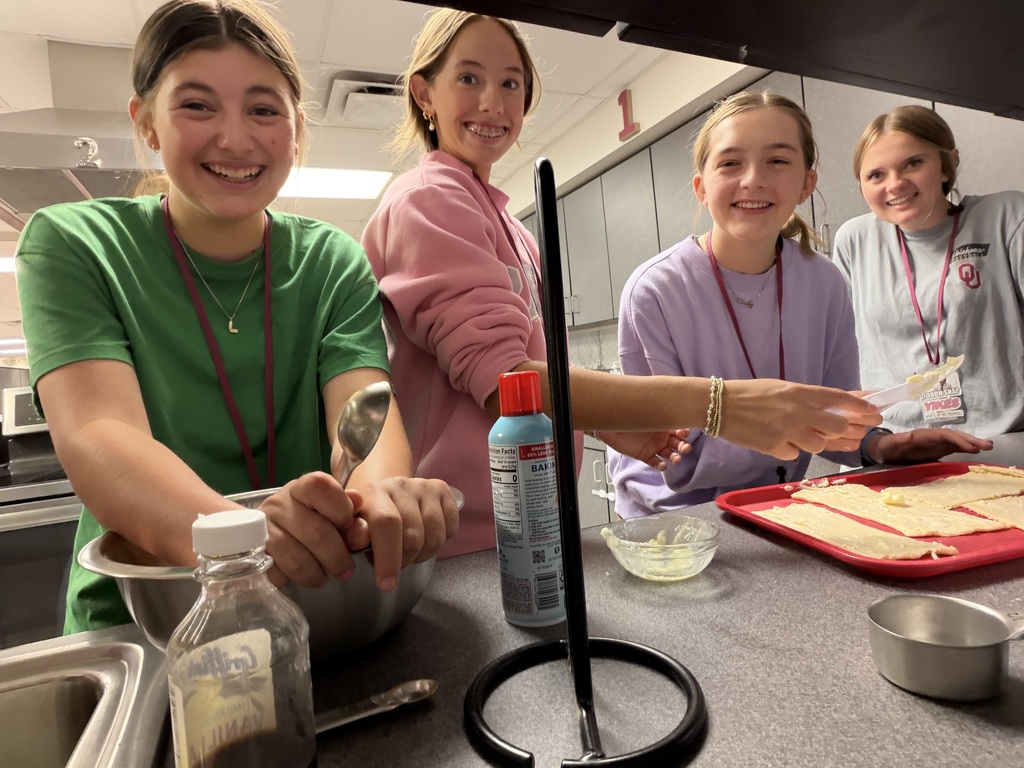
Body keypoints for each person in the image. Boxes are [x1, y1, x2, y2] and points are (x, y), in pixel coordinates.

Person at [361, 11, 884, 555]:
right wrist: (720, 404)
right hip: (462, 531)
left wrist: (609, 426)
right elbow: (505, 385)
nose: (493, 102)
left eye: (511, 83)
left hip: (525, 521)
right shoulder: (429, 200)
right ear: (424, 93)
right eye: (469, 78)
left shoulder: (508, 225)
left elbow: (523, 372)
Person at [15, 0, 458, 636]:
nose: (235, 138)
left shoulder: (331, 260)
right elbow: (99, 435)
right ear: (146, 122)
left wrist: (381, 500)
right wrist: (247, 541)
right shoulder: (76, 243)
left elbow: (365, 414)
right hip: (150, 625)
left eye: (263, 109)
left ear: (296, 129)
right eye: (197, 105)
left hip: (316, 607)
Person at [606, 92, 989, 517]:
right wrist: (795, 425)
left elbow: (836, 410)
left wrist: (879, 444)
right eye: (731, 163)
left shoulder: (824, 282)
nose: (753, 179)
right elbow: (668, 455)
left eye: (777, 161)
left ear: (808, 182)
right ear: (701, 187)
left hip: (777, 509)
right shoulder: (655, 290)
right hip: (672, 522)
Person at [834, 105, 1023, 465]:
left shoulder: (1008, 217)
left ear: (946, 165)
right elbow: (837, 353)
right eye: (876, 175)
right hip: (893, 446)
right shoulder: (853, 240)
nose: (895, 184)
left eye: (912, 164)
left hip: (999, 444)